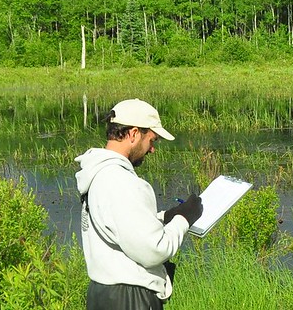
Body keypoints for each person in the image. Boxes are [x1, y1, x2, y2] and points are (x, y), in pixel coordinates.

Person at [75, 98, 203, 309]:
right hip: (129, 298)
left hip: (101, 294)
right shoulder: (122, 181)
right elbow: (155, 250)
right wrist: (184, 218)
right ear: (134, 134)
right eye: (151, 140)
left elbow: (118, 225)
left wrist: (164, 218)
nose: (152, 149)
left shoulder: (98, 173)